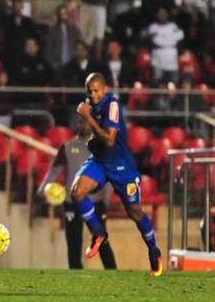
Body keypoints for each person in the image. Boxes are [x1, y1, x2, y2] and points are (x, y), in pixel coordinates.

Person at [71, 72, 163, 277]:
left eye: (96, 90)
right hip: (100, 162)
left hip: (122, 167)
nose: (92, 94)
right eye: (89, 91)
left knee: (135, 213)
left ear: (105, 90)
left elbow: (110, 139)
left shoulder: (112, 104)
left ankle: (154, 251)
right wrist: (91, 140)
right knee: (77, 192)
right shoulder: (90, 104)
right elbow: (97, 136)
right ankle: (98, 232)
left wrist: (87, 118)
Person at [37, 118, 116, 269]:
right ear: (77, 124)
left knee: (101, 240)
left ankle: (112, 271)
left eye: (87, 122)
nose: (83, 125)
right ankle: (75, 275)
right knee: (73, 242)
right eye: (81, 122)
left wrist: (105, 201)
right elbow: (54, 170)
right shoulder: (67, 147)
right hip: (71, 202)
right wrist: (42, 189)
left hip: (95, 202)